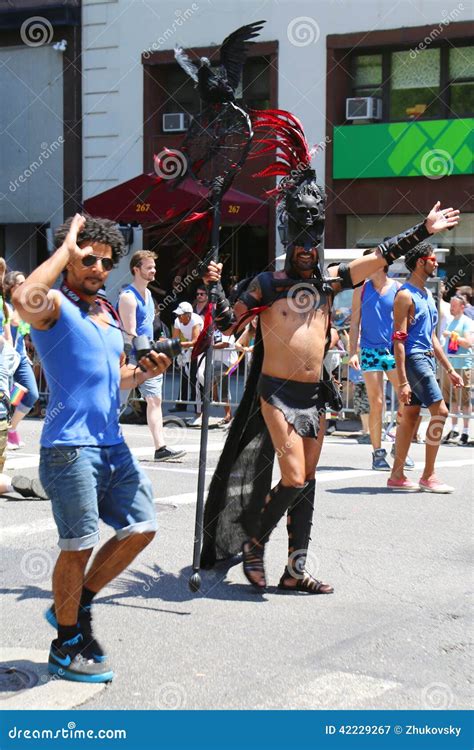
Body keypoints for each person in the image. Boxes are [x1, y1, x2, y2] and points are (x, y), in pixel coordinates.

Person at [199, 109, 460, 591]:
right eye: (299, 240)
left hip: (314, 397)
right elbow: (221, 321)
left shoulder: (329, 284)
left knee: (307, 484)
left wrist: (422, 230)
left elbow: (380, 256)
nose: (306, 249)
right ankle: (254, 543)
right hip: (275, 393)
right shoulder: (265, 285)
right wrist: (213, 289)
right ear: (287, 239)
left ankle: (295, 571)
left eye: (312, 240)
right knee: (294, 476)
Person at [13, 214, 175, 683]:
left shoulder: (105, 313)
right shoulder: (56, 308)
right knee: (78, 544)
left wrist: (145, 370)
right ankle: (66, 642)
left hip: (112, 446)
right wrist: (64, 248)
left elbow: (117, 379)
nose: (97, 267)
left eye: (106, 262)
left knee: (141, 527)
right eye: (88, 258)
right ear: (70, 257)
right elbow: (23, 299)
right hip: (69, 448)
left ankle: (76, 603)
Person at [388, 242, 464, 493]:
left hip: (427, 358)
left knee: (410, 416)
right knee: (440, 412)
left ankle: (397, 475)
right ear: (421, 262)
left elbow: (432, 338)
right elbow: (398, 339)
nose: (437, 263)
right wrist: (402, 381)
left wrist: (450, 369)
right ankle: (428, 475)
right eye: (433, 259)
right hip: (414, 359)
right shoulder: (404, 295)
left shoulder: (428, 296)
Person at [349, 252, 414, 471]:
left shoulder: (398, 289)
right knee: (376, 403)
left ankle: (400, 448)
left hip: (394, 351)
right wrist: (353, 352)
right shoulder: (361, 289)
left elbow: (408, 322)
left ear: (381, 264)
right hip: (369, 350)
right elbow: (354, 323)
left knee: (406, 400)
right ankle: (377, 453)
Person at [118, 251, 185, 462]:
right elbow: (130, 333)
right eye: (149, 267)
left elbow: (150, 327)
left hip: (149, 353)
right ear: (136, 269)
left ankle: (161, 448)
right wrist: (145, 354)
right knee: (115, 404)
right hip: (132, 357)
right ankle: (95, 443)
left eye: (154, 267)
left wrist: (161, 341)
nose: (153, 270)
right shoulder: (128, 297)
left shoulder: (149, 295)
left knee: (155, 400)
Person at [3, 271, 40, 450]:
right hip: (6, 358)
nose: (25, 286)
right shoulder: (7, 307)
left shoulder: (22, 308)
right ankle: (7, 432)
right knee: (7, 396)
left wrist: (25, 352)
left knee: (32, 393)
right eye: (21, 283)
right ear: (11, 287)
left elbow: (21, 335)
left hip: (20, 357)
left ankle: (11, 428)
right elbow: (11, 329)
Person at [441, 294, 473, 445]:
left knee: (464, 399)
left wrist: (452, 335)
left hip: (463, 365)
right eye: (451, 305)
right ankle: (454, 429)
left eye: (454, 305)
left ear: (462, 307)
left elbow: (468, 343)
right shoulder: (451, 321)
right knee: (453, 399)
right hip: (451, 366)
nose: (451, 308)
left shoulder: (467, 322)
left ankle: (465, 432)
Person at [171, 301, 203, 421]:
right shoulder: (177, 321)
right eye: (178, 315)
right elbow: (175, 339)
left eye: (181, 315)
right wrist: (172, 344)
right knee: (186, 376)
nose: (179, 317)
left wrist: (178, 345)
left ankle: (199, 411)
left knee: (197, 379)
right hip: (189, 350)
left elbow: (195, 341)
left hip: (201, 350)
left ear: (188, 314)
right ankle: (182, 404)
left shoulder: (196, 320)